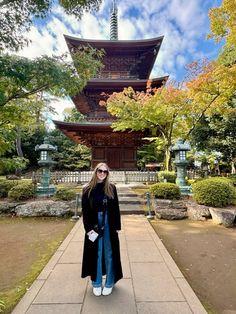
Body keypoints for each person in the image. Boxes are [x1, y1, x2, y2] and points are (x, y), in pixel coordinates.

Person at [81, 162, 123, 296]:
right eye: (100, 171)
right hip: (94, 223)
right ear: (95, 171)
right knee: (96, 252)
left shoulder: (111, 188)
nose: (102, 174)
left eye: (105, 172)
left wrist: (117, 227)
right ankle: (97, 282)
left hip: (109, 222)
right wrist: (88, 230)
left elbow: (116, 208)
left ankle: (110, 281)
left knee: (109, 252)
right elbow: (85, 211)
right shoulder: (87, 189)